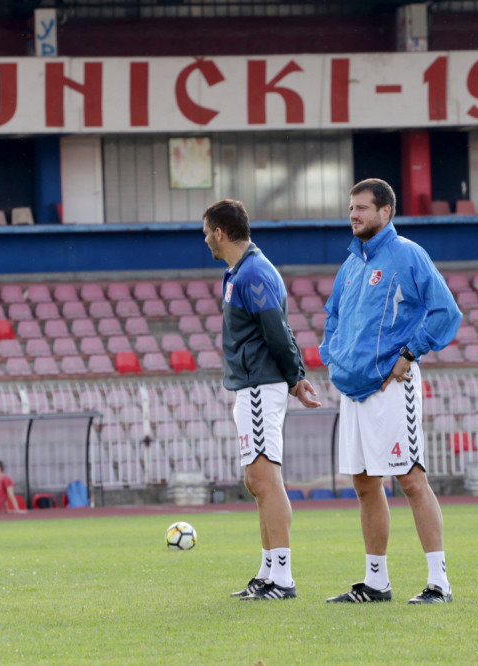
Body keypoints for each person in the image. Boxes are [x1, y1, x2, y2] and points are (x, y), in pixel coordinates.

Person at [320, 179, 462, 605]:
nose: (354, 215)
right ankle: (376, 582)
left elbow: (446, 311)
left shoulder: (408, 255)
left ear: (386, 213)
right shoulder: (350, 265)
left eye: (362, 208)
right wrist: (333, 357)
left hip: (392, 388)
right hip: (354, 390)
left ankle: (439, 583)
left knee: (411, 480)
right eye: (351, 208)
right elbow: (333, 317)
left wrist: (410, 352)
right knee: (365, 484)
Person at [202, 198, 322, 602]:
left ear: (220, 232)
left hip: (259, 385)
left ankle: (283, 578)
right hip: (251, 384)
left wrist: (295, 377)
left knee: (266, 478)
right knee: (257, 481)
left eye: (207, 233)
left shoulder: (253, 272)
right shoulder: (240, 271)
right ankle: (268, 571)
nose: (205, 240)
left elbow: (276, 329)